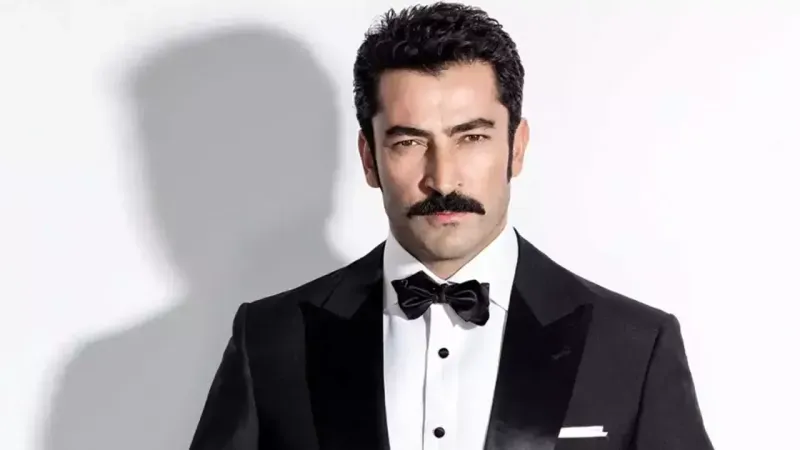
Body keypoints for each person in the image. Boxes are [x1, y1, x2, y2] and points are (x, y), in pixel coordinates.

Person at [189, 3, 714, 449]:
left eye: (472, 137)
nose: (442, 179)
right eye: (409, 142)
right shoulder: (270, 340)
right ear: (369, 160)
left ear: (516, 147)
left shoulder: (634, 345)